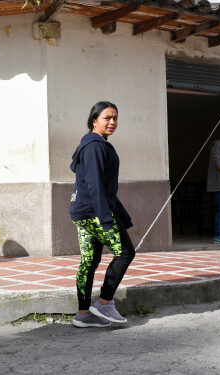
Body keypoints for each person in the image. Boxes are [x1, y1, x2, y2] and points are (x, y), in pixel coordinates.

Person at [69, 101, 136, 328]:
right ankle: (104, 302)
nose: (112, 122)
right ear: (94, 120)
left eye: (115, 117)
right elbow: (96, 185)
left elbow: (103, 188)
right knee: (125, 252)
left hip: (83, 211)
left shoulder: (94, 144)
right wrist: (106, 219)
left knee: (89, 261)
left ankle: (83, 314)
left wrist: (122, 216)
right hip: (93, 212)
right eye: (107, 117)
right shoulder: (95, 145)